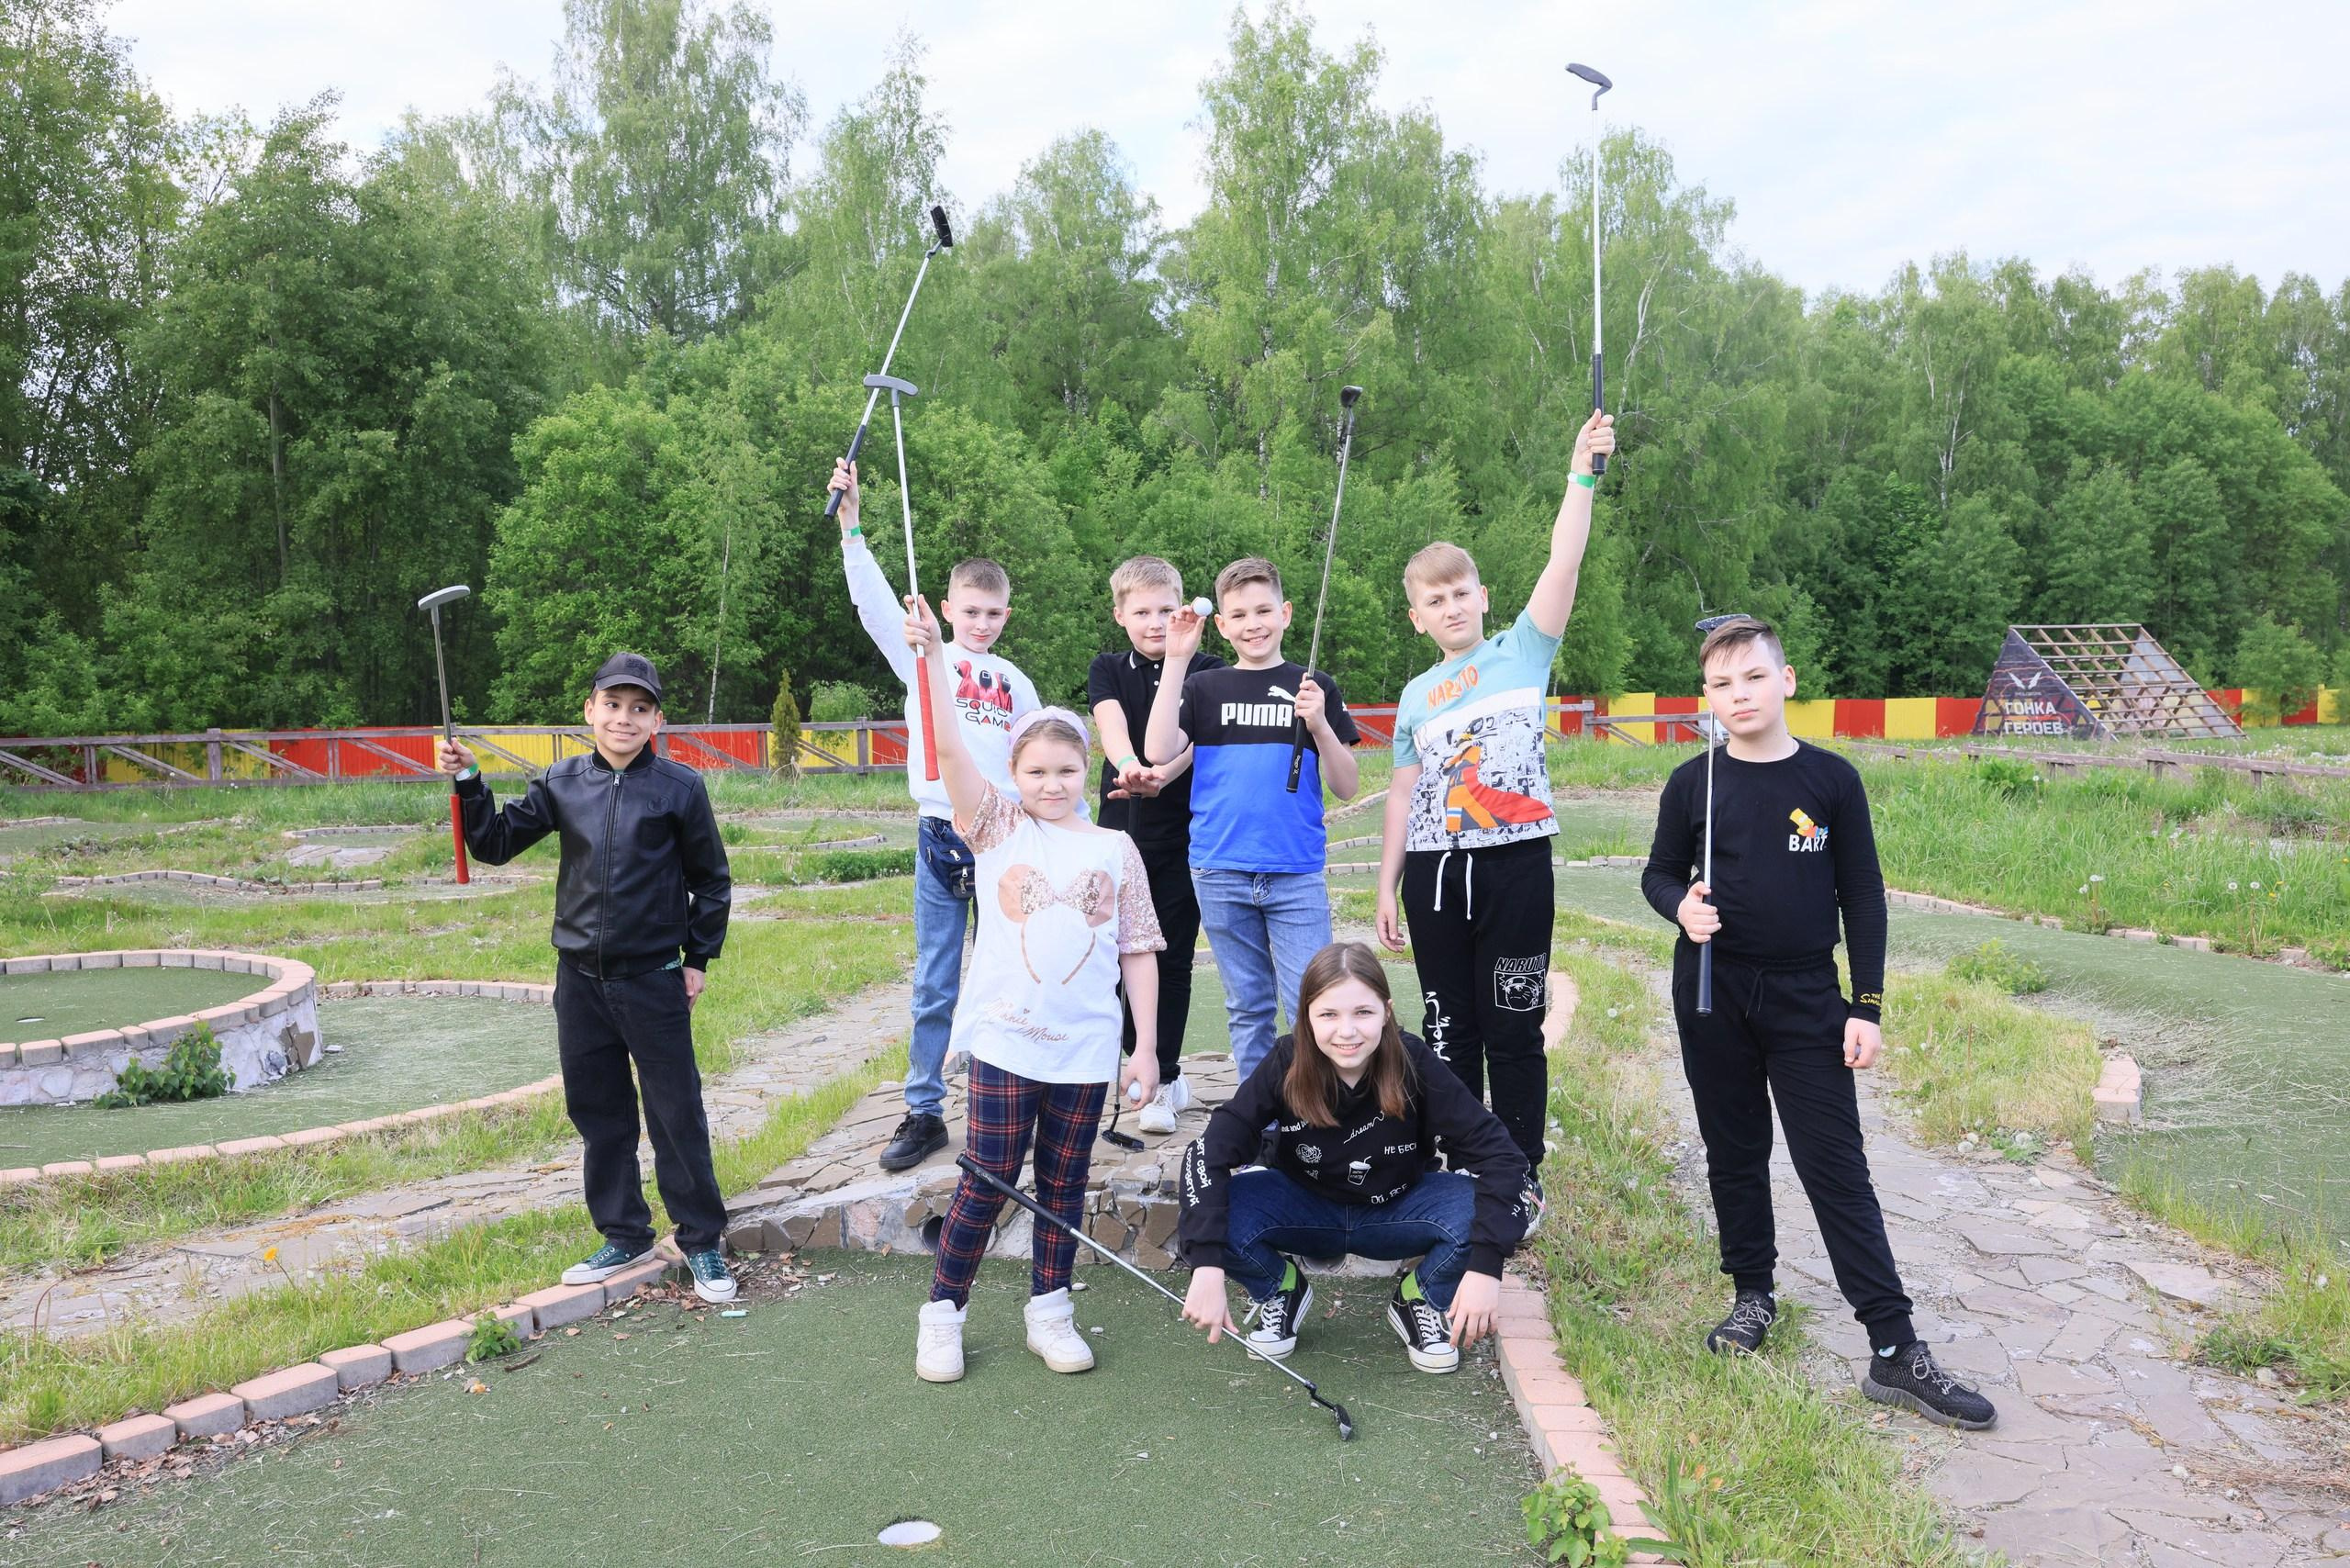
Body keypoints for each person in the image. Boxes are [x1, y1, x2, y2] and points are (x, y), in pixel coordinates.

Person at [1641, 616, 1997, 1429]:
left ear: (1787, 680)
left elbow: (1862, 896)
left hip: (1807, 996)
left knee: (1836, 1166)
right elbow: (1658, 874)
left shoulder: (1832, 780)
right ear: (1707, 696)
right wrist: (1680, 908)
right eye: (1722, 684)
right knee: (1735, 1152)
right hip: (1711, 991)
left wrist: (1866, 1005)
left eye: (1754, 677)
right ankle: (1752, 1294)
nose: (1740, 695)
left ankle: (1894, 1348)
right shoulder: (1691, 782)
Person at [897, 591, 1166, 1383]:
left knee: (1064, 1183)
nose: (1052, 784)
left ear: (1088, 772)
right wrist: (933, 660)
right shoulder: (996, 827)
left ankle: (1051, 1312)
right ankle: (943, 1314)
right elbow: (950, 751)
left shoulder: (1115, 849)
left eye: (1067, 770)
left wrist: (1146, 1048)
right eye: (1036, 771)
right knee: (987, 1178)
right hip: (1007, 1041)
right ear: (1012, 775)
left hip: (1084, 1048)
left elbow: (1139, 952)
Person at [436, 653, 738, 1304]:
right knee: (599, 1112)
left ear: (657, 720)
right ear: (590, 711)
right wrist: (468, 779)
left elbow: (711, 881)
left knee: (675, 1112)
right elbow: (493, 843)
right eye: (613, 705)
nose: (624, 718)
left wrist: (696, 959)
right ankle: (625, 1232)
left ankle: (702, 1241)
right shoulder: (561, 782)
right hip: (579, 981)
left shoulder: (680, 788)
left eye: (639, 708)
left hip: (652, 978)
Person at [1376, 410, 1616, 1204]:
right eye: (1434, 600)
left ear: (1482, 597)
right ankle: (1457, 1165)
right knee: (1448, 1031)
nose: (1451, 607)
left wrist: (1581, 472)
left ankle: (1518, 1174)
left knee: (1513, 1025)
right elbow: (1403, 793)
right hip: (1435, 875)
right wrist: (1387, 885)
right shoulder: (1415, 696)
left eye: (1460, 593)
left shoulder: (1523, 648)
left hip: (1516, 867)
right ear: (1417, 617)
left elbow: (1564, 558)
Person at [1175, 942, 1533, 1373]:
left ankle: (1420, 1297)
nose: (1346, 1031)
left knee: (1491, 1205)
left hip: (1398, 1210)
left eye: (1362, 1012)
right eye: (1328, 1014)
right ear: (1307, 1017)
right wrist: (1206, 1264)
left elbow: (1502, 1157)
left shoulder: (1413, 1060)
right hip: (1304, 1209)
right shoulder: (1287, 1060)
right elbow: (1207, 1152)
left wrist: (1486, 1268)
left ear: (1386, 1011)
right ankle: (1280, 1288)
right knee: (1212, 1206)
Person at [832, 459, 1041, 1173]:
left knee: (1009, 975)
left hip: (1003, 839)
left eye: (993, 613)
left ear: (1006, 616)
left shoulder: (1015, 682)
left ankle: (1002, 1105)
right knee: (934, 981)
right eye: (970, 611)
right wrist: (853, 527)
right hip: (937, 836)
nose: (981, 623)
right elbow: (872, 604)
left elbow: (1041, 764)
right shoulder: (924, 656)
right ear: (948, 609)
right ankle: (924, 1109)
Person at [1143, 557, 1360, 1083]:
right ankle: (1259, 1115)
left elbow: (1347, 785)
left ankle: (1318, 1112)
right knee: (1248, 1006)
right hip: (1219, 869)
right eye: (1238, 615)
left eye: (1264, 611)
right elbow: (1157, 750)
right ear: (1221, 624)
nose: (1253, 624)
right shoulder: (1204, 687)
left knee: (1312, 1003)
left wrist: (1319, 725)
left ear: (1286, 614)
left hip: (1295, 872)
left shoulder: (1315, 686)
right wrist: (1177, 660)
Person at [1088, 555, 1224, 1134]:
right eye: (1141, 611)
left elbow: (1197, 741)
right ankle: (1132, 1058)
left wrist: (1163, 773)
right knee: (1115, 958)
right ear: (1120, 615)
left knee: (1172, 957)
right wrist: (1129, 766)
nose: (1155, 622)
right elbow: (1111, 727)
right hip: (1119, 833)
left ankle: (1164, 1078)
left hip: (1186, 832)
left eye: (1166, 610)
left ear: (1183, 610)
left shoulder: (1208, 668)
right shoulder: (1107, 668)